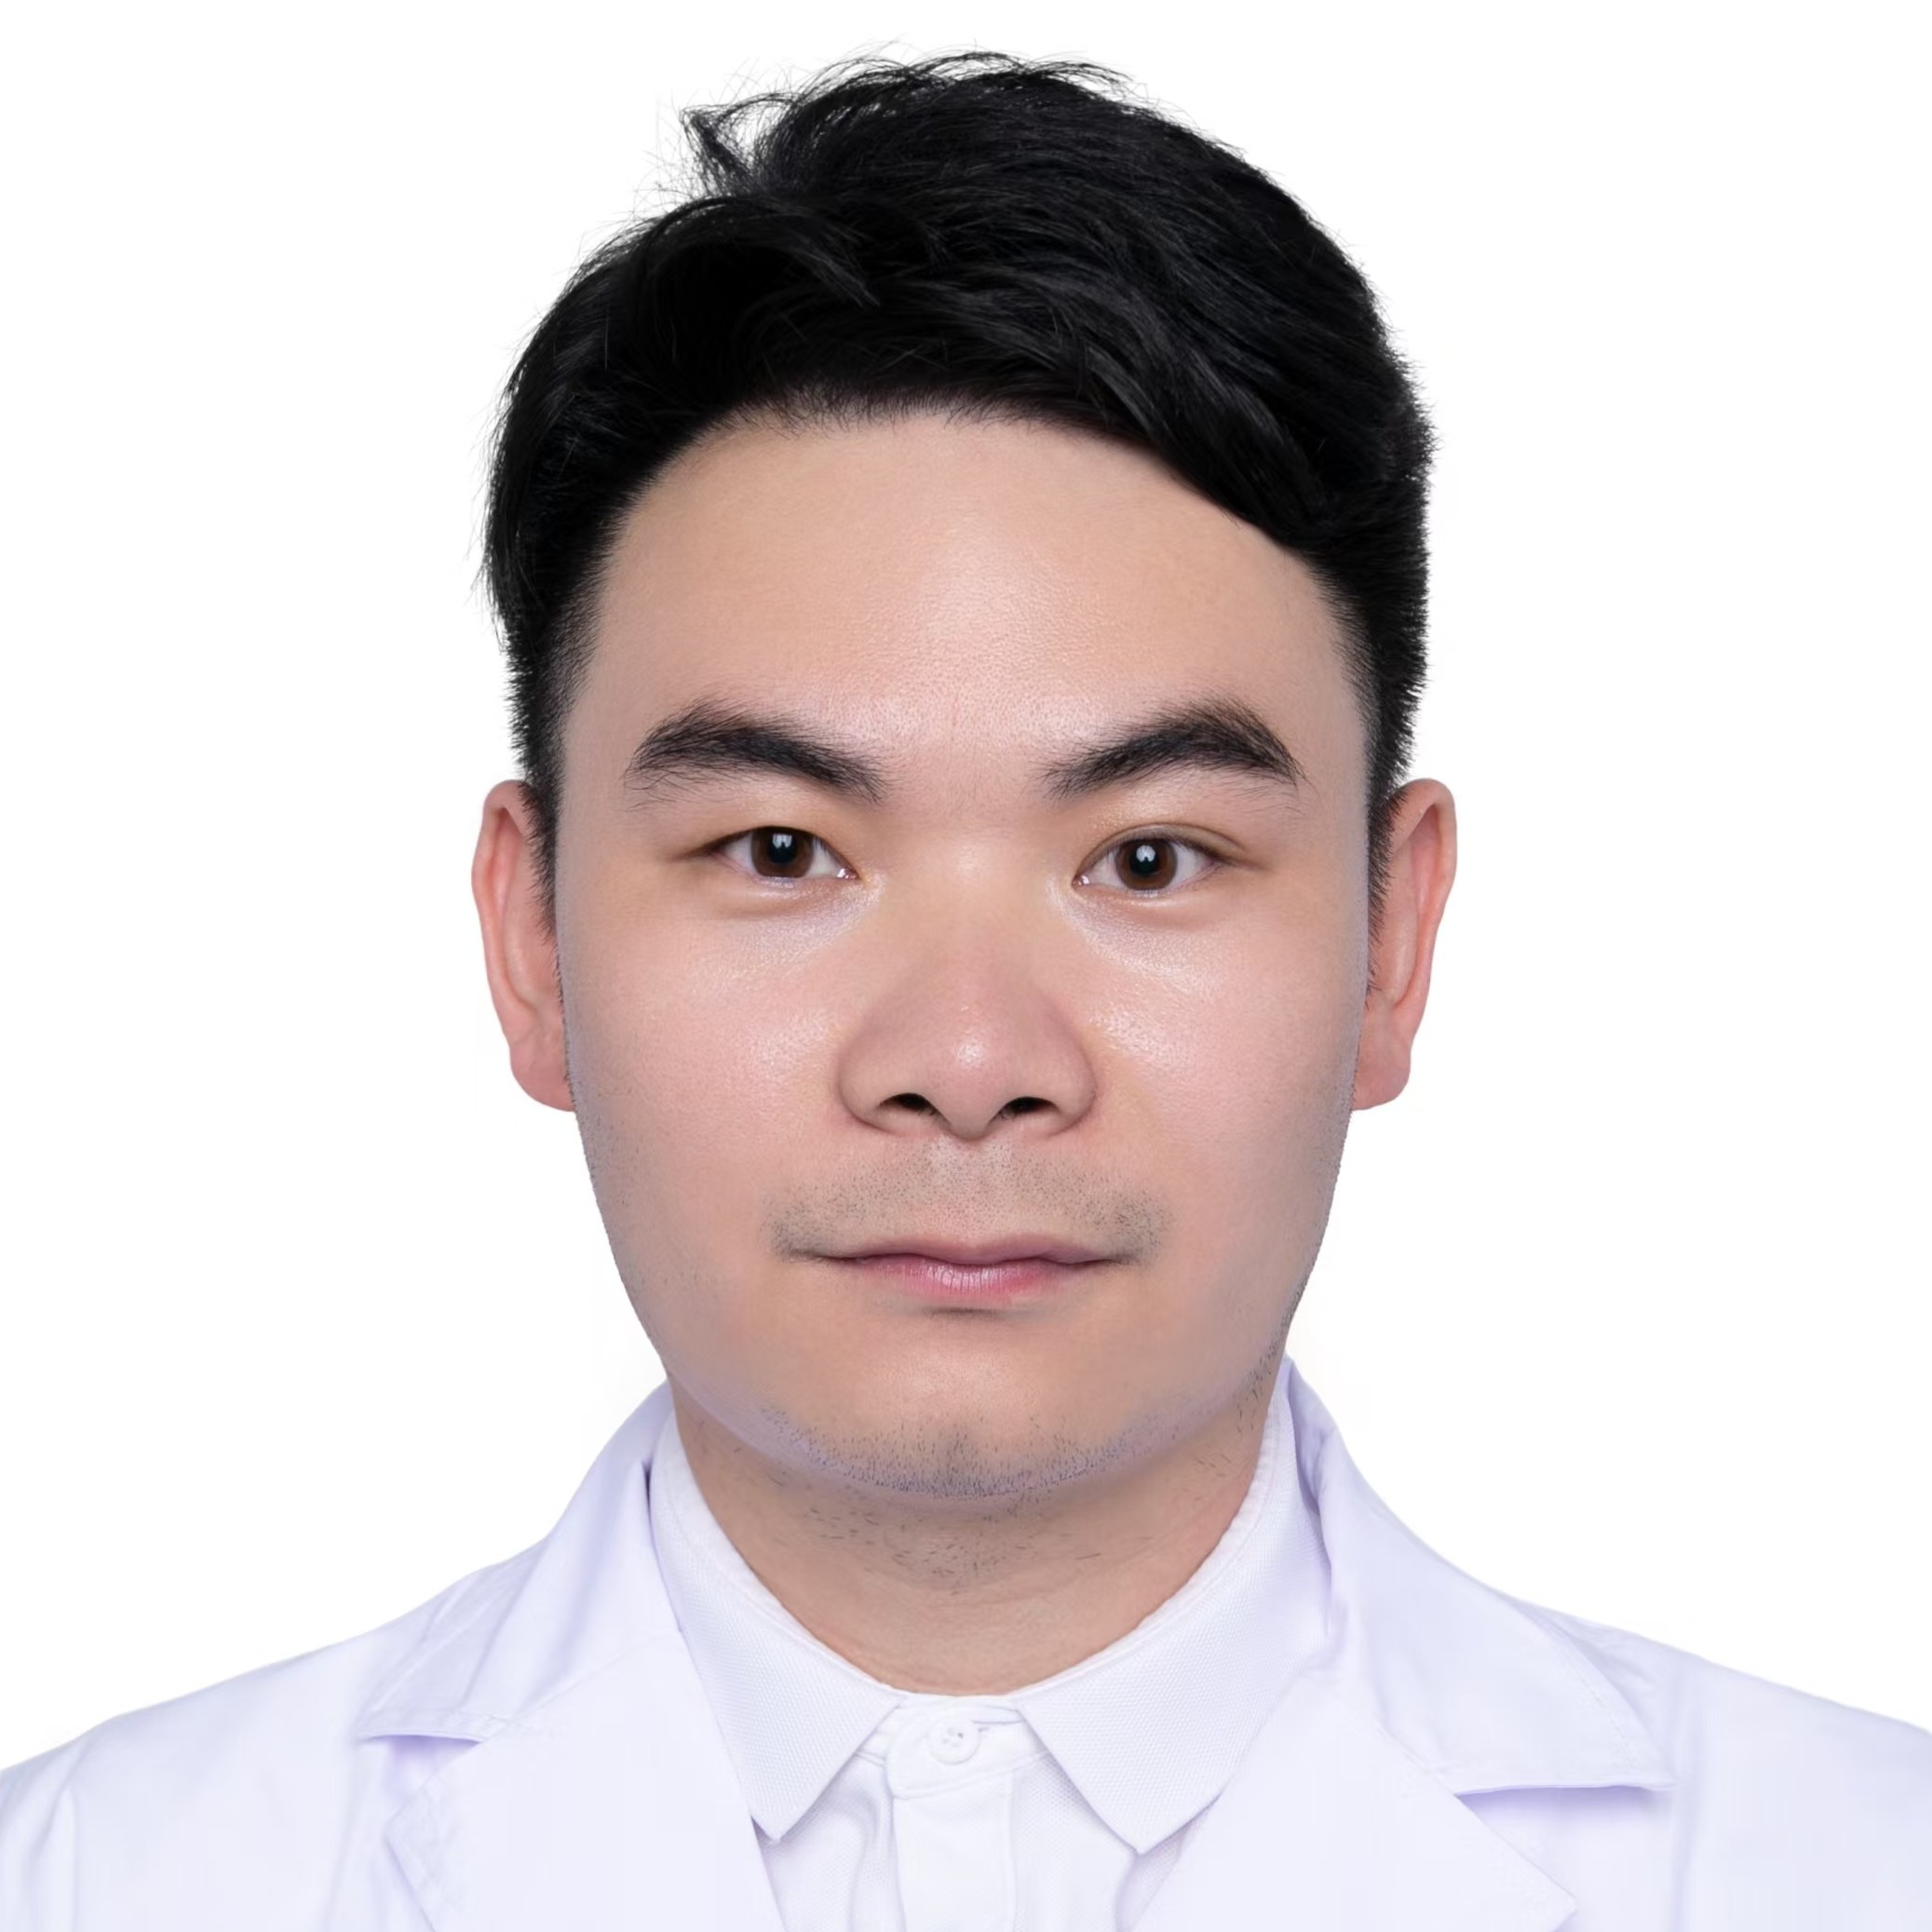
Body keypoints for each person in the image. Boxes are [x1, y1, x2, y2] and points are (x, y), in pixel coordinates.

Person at [2, 47, 1925, 1930]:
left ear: (1391, 942)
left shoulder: (1853, 1872)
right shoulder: (96, 1880)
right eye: (782, 853)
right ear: (532, 945)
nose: (971, 1060)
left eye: (1149, 860)